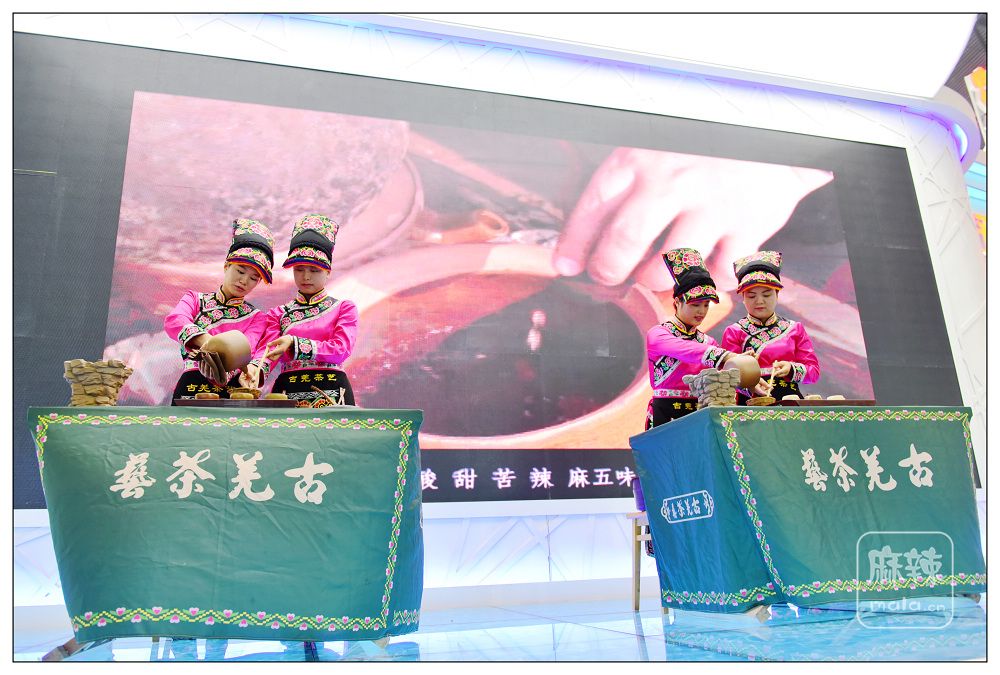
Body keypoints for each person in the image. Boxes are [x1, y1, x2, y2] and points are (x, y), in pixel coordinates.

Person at [634, 247, 733, 554]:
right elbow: (687, 351)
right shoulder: (659, 335)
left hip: (697, 411)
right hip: (666, 412)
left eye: (705, 305)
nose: (701, 311)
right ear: (676, 301)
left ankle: (699, 538)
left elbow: (716, 367)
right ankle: (662, 539)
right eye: (695, 304)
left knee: (698, 473)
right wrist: (721, 356)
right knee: (664, 473)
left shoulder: (708, 341)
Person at [243, 214, 359, 407]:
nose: (306, 277)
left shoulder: (343, 308)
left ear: (328, 271)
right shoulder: (278, 314)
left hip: (331, 388)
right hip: (287, 390)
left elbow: (341, 349)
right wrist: (255, 370)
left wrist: (294, 343)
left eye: (314, 270)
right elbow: (268, 352)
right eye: (299, 269)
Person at [163, 218, 273, 403]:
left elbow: (245, 349)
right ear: (226, 266)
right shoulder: (195, 299)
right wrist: (210, 343)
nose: (244, 281)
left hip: (233, 390)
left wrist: (219, 357)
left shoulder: (257, 318)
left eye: (254, 278)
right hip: (192, 384)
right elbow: (175, 320)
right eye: (240, 271)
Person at [720, 250, 821, 403]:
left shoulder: (794, 329)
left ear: (777, 295)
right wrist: (749, 384)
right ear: (743, 298)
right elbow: (727, 377)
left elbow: (813, 372)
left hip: (789, 401)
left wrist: (791, 368)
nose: (759, 301)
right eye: (751, 296)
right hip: (750, 402)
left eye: (766, 295)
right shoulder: (734, 332)